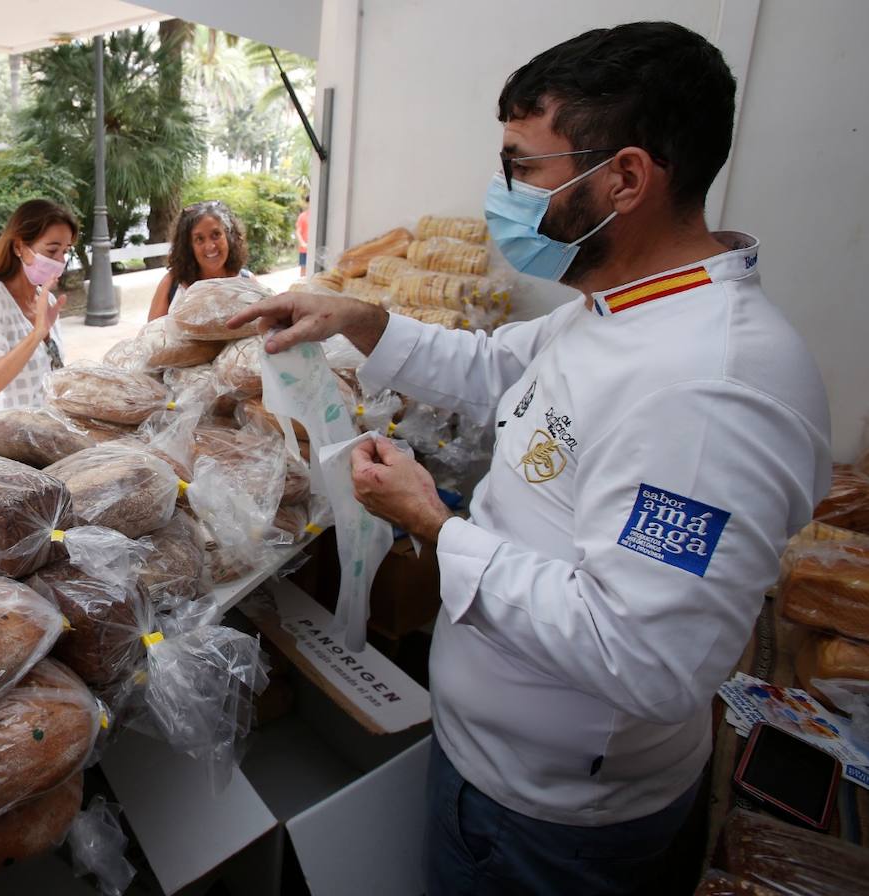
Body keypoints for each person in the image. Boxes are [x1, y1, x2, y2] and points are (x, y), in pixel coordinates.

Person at [230, 22, 830, 896]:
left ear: (625, 177)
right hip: (491, 767)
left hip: (556, 828)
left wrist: (434, 523)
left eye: (523, 166)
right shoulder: (620, 308)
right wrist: (357, 317)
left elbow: (644, 658)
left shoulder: (710, 392)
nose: (499, 193)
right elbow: (494, 365)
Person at [0, 199, 76, 414]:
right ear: (19, 247)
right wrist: (37, 335)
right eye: (52, 250)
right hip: (5, 439)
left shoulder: (46, 301)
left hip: (47, 433)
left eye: (65, 251)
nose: (60, 260)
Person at [147, 200, 251, 321]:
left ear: (229, 236)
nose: (210, 246)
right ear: (189, 246)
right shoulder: (172, 285)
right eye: (199, 239)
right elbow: (151, 336)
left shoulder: (247, 281)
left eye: (216, 235)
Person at [296, 192, 310, 275]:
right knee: (304, 269)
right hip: (305, 249)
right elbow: (298, 231)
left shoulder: (318, 215)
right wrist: (302, 243)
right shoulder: (303, 216)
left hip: (315, 248)